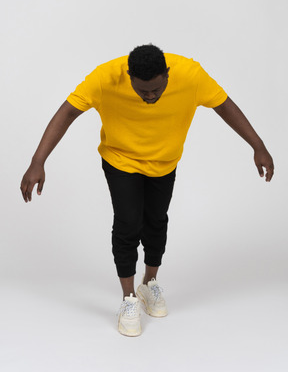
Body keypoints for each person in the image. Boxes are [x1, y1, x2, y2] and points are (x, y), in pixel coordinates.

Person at [20, 43, 274, 337]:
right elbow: (66, 113)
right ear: (129, 76)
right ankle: (128, 298)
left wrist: (258, 146)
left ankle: (148, 284)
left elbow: (224, 105)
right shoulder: (105, 77)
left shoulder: (190, 74)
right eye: (143, 91)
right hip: (120, 160)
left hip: (164, 162)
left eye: (156, 89)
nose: (150, 96)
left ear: (167, 74)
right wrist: (38, 161)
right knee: (128, 223)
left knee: (156, 220)